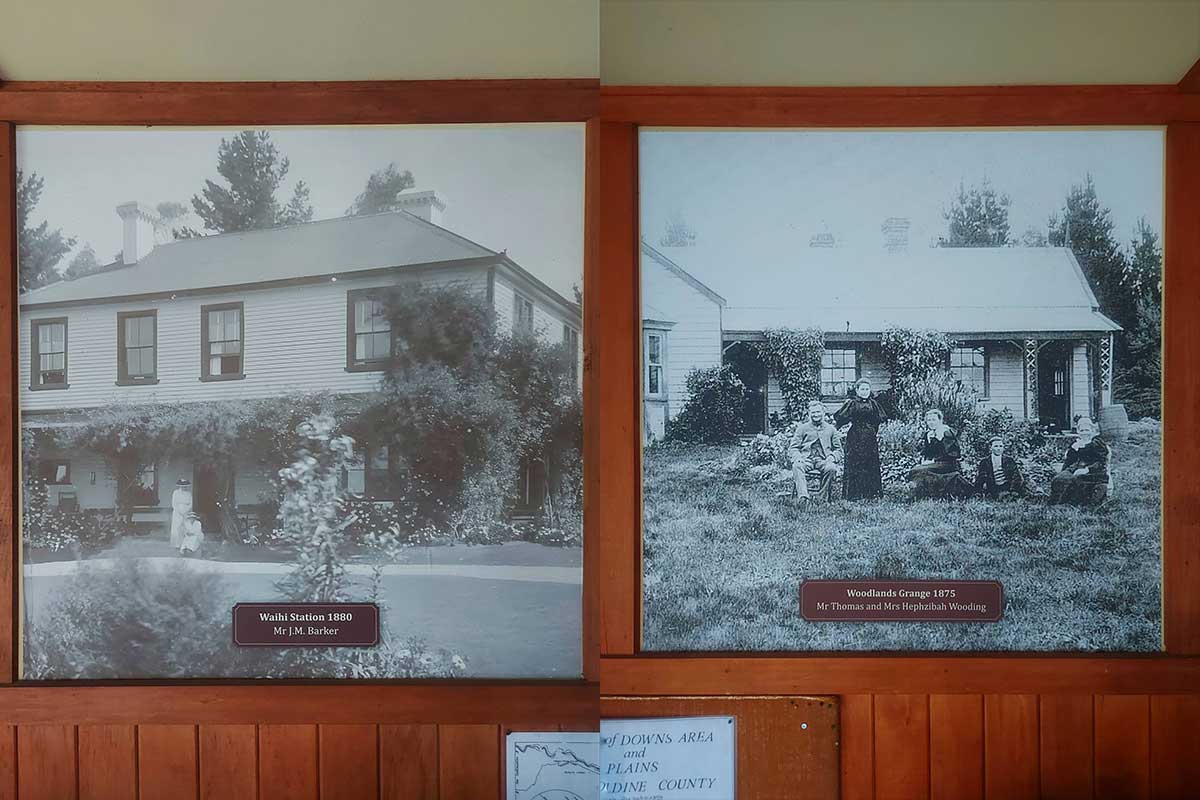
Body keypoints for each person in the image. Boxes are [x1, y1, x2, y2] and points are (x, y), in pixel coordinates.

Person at [833, 378, 886, 500]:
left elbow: (878, 420)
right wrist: (838, 429)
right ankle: (853, 495)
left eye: (867, 389)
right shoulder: (851, 403)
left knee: (870, 463)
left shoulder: (873, 404)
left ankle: (871, 494)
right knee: (855, 463)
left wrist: (873, 430)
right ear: (857, 390)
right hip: (855, 437)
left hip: (869, 437)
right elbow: (840, 418)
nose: (864, 391)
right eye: (862, 389)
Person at [906, 409, 971, 498]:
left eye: (934, 420)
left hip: (948, 464)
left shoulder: (946, 432)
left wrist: (939, 440)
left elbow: (953, 454)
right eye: (929, 420)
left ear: (940, 420)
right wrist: (927, 460)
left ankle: (917, 495)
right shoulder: (929, 434)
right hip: (936, 463)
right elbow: (928, 453)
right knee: (916, 470)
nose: (931, 423)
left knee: (916, 470)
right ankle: (919, 494)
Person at [788, 400, 841, 507]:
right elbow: (793, 448)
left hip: (823, 460)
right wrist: (798, 457)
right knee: (797, 466)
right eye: (813, 413)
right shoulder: (802, 429)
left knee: (831, 468)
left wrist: (832, 457)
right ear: (809, 414)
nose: (816, 415)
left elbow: (839, 450)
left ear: (823, 413)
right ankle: (803, 498)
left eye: (818, 412)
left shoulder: (831, 429)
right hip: (806, 459)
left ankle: (822, 499)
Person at [1049, 417, 1111, 505]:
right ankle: (1056, 503)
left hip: (1095, 472)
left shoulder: (1097, 443)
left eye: (1087, 430)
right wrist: (1073, 451)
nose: (1084, 433)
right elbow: (1069, 461)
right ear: (1078, 431)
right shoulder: (1076, 443)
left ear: (1092, 430)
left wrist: (1086, 470)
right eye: (1082, 430)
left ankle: (1073, 503)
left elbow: (1101, 463)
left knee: (1077, 479)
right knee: (1059, 479)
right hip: (1075, 467)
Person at [169, 477, 193, 549]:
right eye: (182, 486)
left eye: (185, 486)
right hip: (177, 512)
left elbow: (191, 504)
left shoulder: (189, 493)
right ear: (179, 486)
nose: (183, 487)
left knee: (185, 527)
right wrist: (179, 511)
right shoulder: (175, 493)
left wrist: (186, 510)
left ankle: (185, 544)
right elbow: (174, 503)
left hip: (186, 511)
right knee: (177, 527)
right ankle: (176, 544)